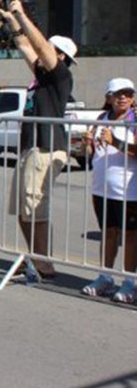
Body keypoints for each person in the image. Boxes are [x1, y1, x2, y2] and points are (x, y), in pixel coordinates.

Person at [0, 0, 76, 279]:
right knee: (23, 209)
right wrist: (11, 21)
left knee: (35, 207)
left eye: (52, 50)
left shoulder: (61, 76)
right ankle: (35, 257)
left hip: (46, 146)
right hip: (30, 147)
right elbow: (25, 45)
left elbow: (40, 46)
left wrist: (23, 15)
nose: (42, 52)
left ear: (61, 55)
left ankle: (44, 262)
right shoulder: (40, 77)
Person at [80, 77, 137, 302]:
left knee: (131, 236)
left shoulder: (134, 119)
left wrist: (115, 142)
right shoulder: (101, 119)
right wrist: (86, 144)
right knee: (109, 233)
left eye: (128, 93)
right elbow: (89, 153)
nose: (123, 97)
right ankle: (105, 276)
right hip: (101, 189)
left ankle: (129, 282)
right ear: (109, 97)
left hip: (129, 190)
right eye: (118, 93)